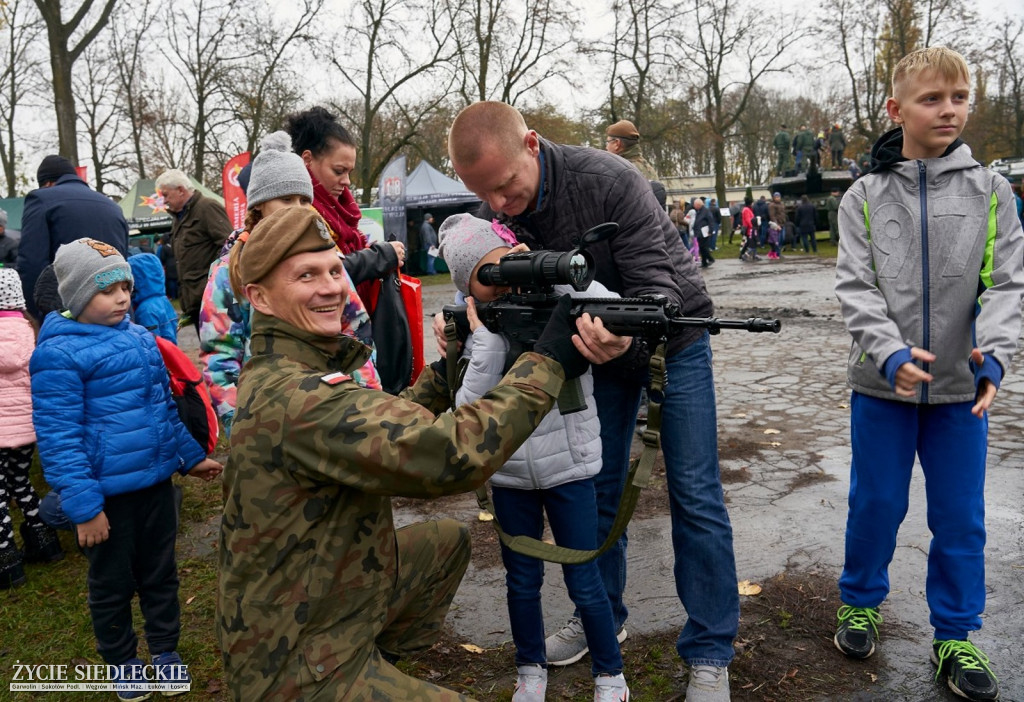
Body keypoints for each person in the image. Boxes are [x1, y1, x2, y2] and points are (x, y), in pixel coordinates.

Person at [217, 205, 590, 700]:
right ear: (259, 297)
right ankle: (346, 682)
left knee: (444, 543)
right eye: (306, 276)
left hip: (319, 599)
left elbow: (381, 422)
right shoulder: (299, 399)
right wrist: (546, 364)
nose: (330, 287)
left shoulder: (291, 369)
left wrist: (447, 368)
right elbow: (449, 455)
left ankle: (377, 661)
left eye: (333, 270)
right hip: (292, 662)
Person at [446, 101, 738, 701]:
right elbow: (482, 268)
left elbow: (657, 287)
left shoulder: (612, 180)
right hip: (589, 354)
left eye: (504, 188)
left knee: (694, 492)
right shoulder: (495, 203)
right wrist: (470, 321)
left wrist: (628, 336)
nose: (498, 206)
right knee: (597, 489)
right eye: (484, 195)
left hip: (672, 343)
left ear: (532, 143)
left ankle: (709, 650)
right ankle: (603, 615)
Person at [833, 47, 1024, 702]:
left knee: (961, 515)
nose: (949, 109)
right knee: (877, 504)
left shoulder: (992, 192)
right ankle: (859, 602)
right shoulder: (863, 194)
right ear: (896, 110)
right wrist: (888, 352)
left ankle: (956, 634)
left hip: (959, 393)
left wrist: (995, 353)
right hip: (882, 387)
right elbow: (855, 287)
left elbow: (1006, 284)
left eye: (960, 96)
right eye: (932, 98)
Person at [439, 213, 630, 702]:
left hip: (570, 466)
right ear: (468, 291)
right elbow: (468, 415)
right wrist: (482, 346)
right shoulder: (479, 333)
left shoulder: (561, 300)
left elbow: (615, 309)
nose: (504, 280)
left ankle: (611, 676)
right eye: (488, 275)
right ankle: (531, 671)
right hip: (509, 476)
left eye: (508, 265)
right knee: (522, 581)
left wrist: (563, 280)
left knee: (585, 577)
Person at [31, 238, 222, 697]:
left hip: (155, 488)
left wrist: (190, 458)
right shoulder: (57, 355)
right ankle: (122, 660)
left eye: (124, 286)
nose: (121, 297)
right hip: (106, 500)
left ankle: (165, 649)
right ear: (76, 297)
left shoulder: (139, 338)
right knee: (112, 586)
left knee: (161, 574)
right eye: (106, 289)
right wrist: (83, 506)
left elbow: (163, 410)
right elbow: (58, 439)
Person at [198, 130, 381, 434]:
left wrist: (370, 402)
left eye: (303, 201)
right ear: (259, 207)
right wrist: (243, 426)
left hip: (337, 411)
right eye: (285, 200)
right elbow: (220, 355)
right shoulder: (231, 271)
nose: (297, 209)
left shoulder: (327, 258)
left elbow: (357, 333)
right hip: (272, 420)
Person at [283, 106, 405, 303]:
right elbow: (318, 274)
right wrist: (380, 257)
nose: (347, 181)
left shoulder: (341, 212)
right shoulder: (295, 213)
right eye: (339, 171)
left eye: (349, 172)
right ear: (307, 160)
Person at [0, 268, 64, 590]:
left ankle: (6, 562)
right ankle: (45, 542)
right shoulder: (30, 329)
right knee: (20, 482)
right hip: (26, 429)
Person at [17, 155, 129, 320]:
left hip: (67, 314)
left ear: (47, 184)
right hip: (116, 312)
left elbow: (32, 263)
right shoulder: (112, 206)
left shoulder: (41, 199)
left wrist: (34, 317)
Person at [156, 168, 232, 336]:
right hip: (196, 301)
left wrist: (213, 284)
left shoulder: (207, 207)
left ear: (181, 190)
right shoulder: (179, 218)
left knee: (220, 353)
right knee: (209, 353)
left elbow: (229, 247)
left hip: (214, 300)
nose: (164, 201)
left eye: (166, 195)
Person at [127, 253, 178, 343]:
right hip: (170, 349)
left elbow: (151, 341)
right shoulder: (164, 300)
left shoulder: (146, 310)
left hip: (159, 354)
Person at [692, 197, 715, 267]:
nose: (694, 206)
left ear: (698, 205)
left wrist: (710, 230)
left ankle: (710, 259)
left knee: (704, 247)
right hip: (699, 232)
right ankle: (704, 262)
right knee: (702, 248)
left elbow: (710, 220)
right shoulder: (698, 211)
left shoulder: (706, 211)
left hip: (704, 232)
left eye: (695, 205)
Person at [738, 198, 759, 262]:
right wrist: (752, 227)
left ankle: (746, 255)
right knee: (749, 243)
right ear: (750, 203)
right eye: (752, 203)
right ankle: (744, 255)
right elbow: (748, 220)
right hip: (749, 229)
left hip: (749, 228)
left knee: (748, 243)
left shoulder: (747, 209)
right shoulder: (746, 210)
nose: (753, 204)